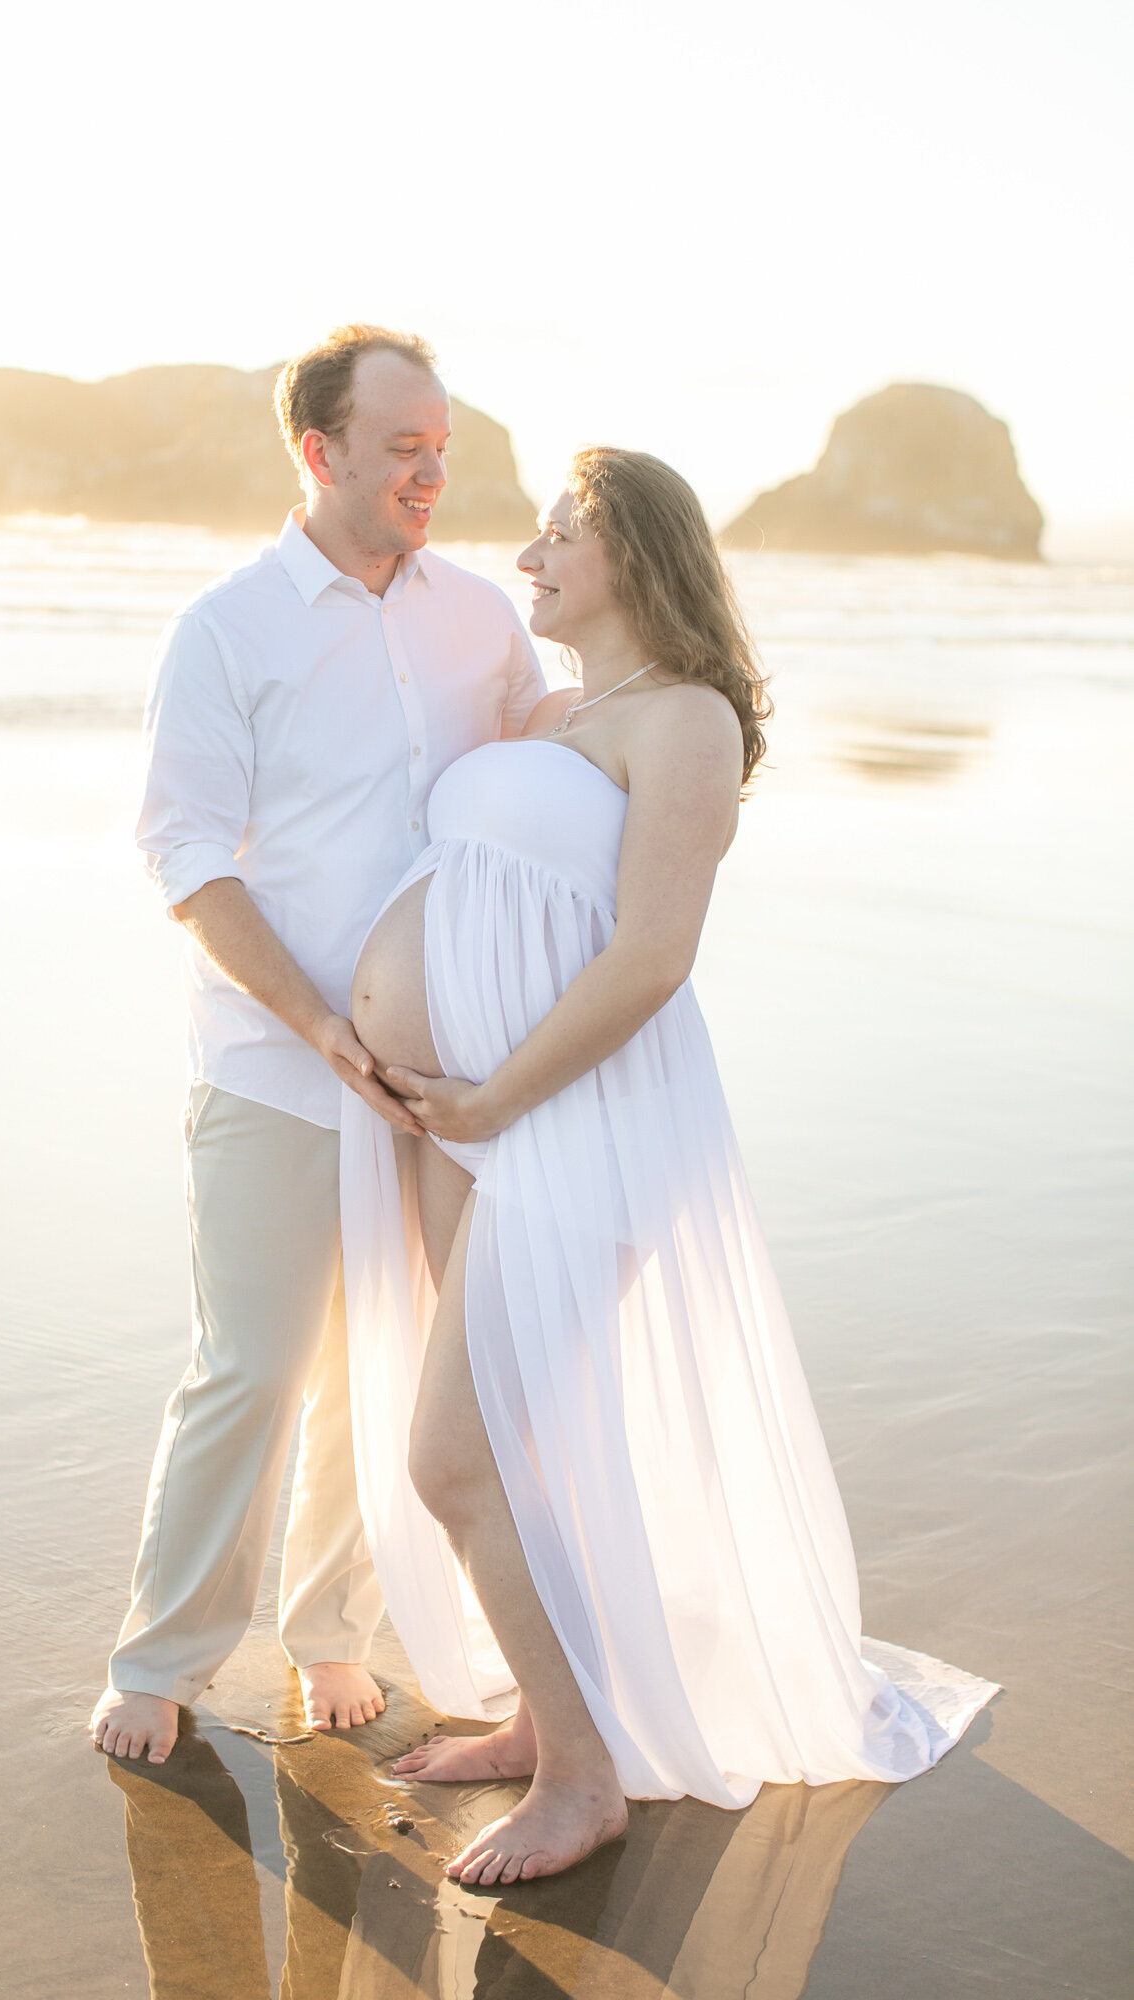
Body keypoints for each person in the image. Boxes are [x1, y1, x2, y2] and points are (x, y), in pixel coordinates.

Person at [339, 446, 998, 1885]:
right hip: (468, 1122)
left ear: (633, 553)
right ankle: (544, 1716)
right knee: (522, 1443)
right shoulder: (563, 708)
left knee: (449, 1456)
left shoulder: (685, 720)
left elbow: (651, 958)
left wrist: (494, 1095)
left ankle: (581, 1780)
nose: (529, 560)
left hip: (568, 1122)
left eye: (559, 534)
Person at [90, 325, 543, 1766]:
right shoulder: (226, 627)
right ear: (319, 450)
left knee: (389, 1368)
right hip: (276, 1070)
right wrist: (316, 1023)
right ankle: (160, 1657)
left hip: (438, 1072)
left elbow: (537, 774)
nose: (430, 469)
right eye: (403, 445)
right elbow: (182, 857)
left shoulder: (478, 616)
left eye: (442, 445)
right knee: (256, 1365)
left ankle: (332, 1629)